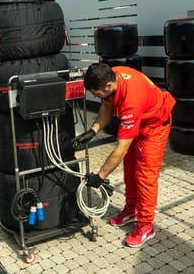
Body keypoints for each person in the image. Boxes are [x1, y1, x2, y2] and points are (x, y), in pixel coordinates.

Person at [73, 63, 176, 247]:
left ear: (108, 87)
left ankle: (145, 225)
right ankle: (131, 210)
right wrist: (93, 131)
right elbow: (107, 105)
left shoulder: (131, 102)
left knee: (145, 176)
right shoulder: (113, 75)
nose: (95, 97)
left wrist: (100, 176)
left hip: (154, 126)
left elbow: (120, 149)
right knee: (130, 170)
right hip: (140, 121)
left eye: (96, 93)